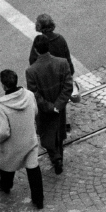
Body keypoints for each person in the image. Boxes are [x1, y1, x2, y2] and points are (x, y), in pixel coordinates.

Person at [0, 69, 44, 208]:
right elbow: (35, 111)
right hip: (29, 139)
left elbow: (2, 132)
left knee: (6, 164)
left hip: (12, 144)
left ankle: (6, 185)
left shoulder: (2, 106)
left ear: (3, 85)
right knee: (33, 168)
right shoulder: (29, 95)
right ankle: (38, 200)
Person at [25, 34, 72, 173]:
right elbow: (68, 86)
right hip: (60, 107)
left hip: (44, 111)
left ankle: (55, 157)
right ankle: (59, 158)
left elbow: (34, 94)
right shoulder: (62, 63)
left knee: (47, 134)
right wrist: (58, 105)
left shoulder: (31, 71)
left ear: (36, 50)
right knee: (59, 133)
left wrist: (49, 107)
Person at [30, 14, 78, 116]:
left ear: (39, 27)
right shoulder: (60, 39)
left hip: (46, 80)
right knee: (62, 100)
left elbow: (32, 61)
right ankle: (63, 120)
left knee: (47, 102)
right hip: (61, 76)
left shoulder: (40, 42)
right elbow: (67, 58)